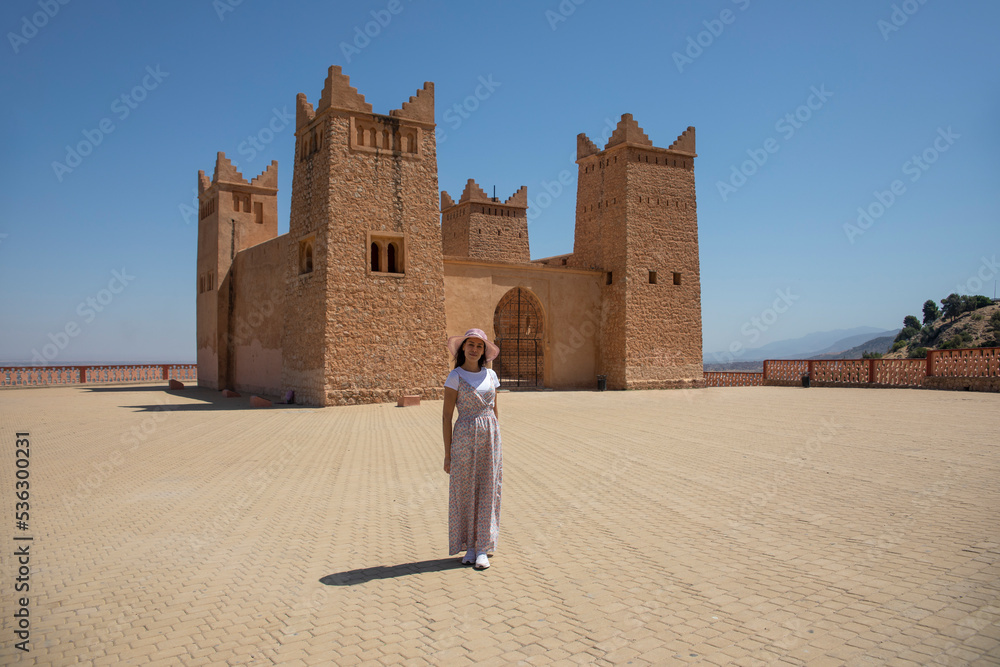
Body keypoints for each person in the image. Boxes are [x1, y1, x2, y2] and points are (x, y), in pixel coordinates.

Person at [442, 328, 502, 570]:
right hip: (464, 436)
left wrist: (497, 440)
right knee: (464, 491)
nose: (475, 349)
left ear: (484, 351)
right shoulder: (454, 376)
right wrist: (448, 454)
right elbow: (446, 416)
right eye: (471, 345)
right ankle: (469, 546)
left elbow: (495, 411)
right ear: (463, 348)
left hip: (490, 438)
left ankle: (483, 548)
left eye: (479, 346)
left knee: (488, 490)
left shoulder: (491, 375)